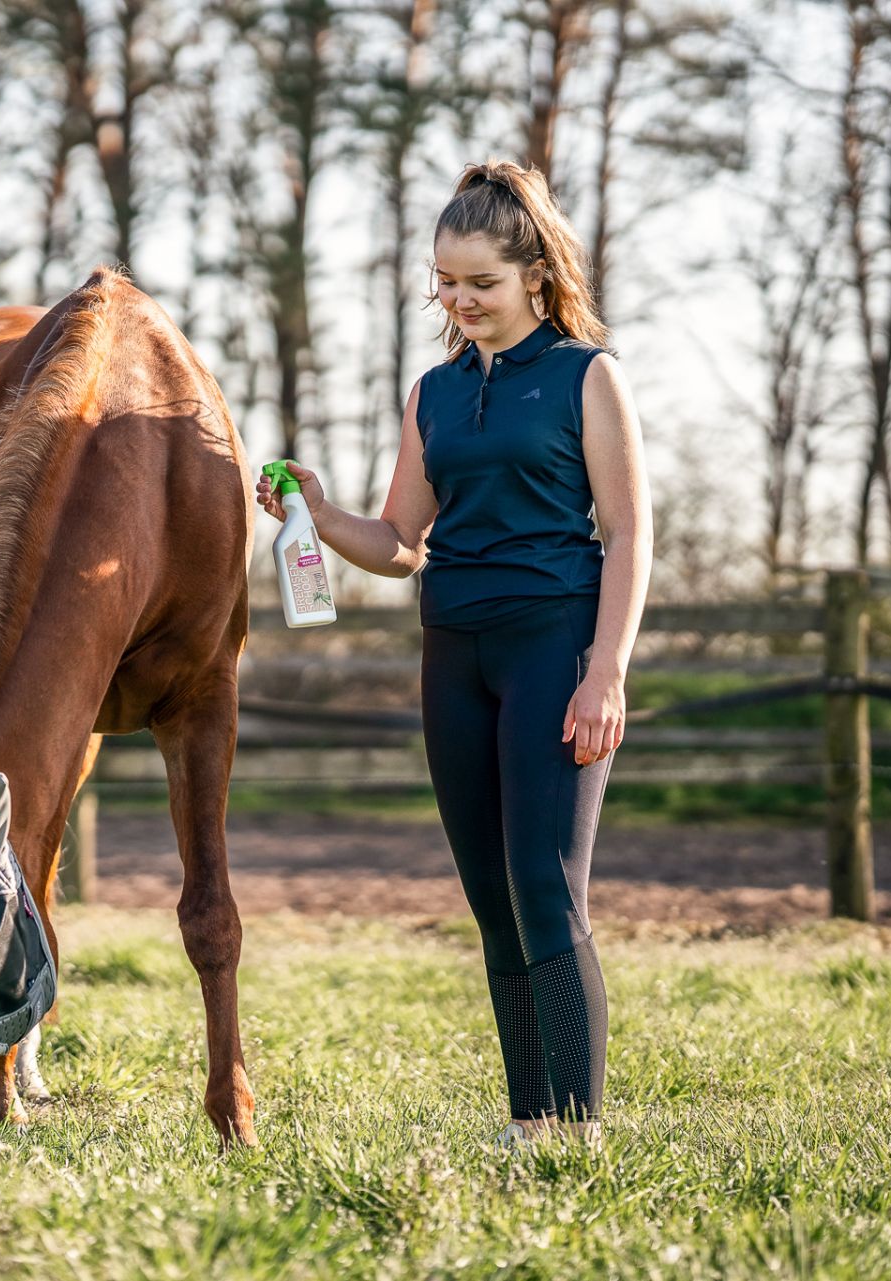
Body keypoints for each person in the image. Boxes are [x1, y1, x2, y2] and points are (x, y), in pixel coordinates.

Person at [256, 160, 652, 1146]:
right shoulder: (432, 393)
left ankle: (579, 1132)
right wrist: (316, 507)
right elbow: (398, 544)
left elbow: (632, 532)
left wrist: (606, 671)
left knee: (545, 885)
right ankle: (530, 1127)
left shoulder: (586, 375)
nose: (459, 299)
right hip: (453, 650)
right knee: (490, 897)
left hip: (554, 646)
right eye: (445, 280)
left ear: (534, 274)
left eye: (479, 280)